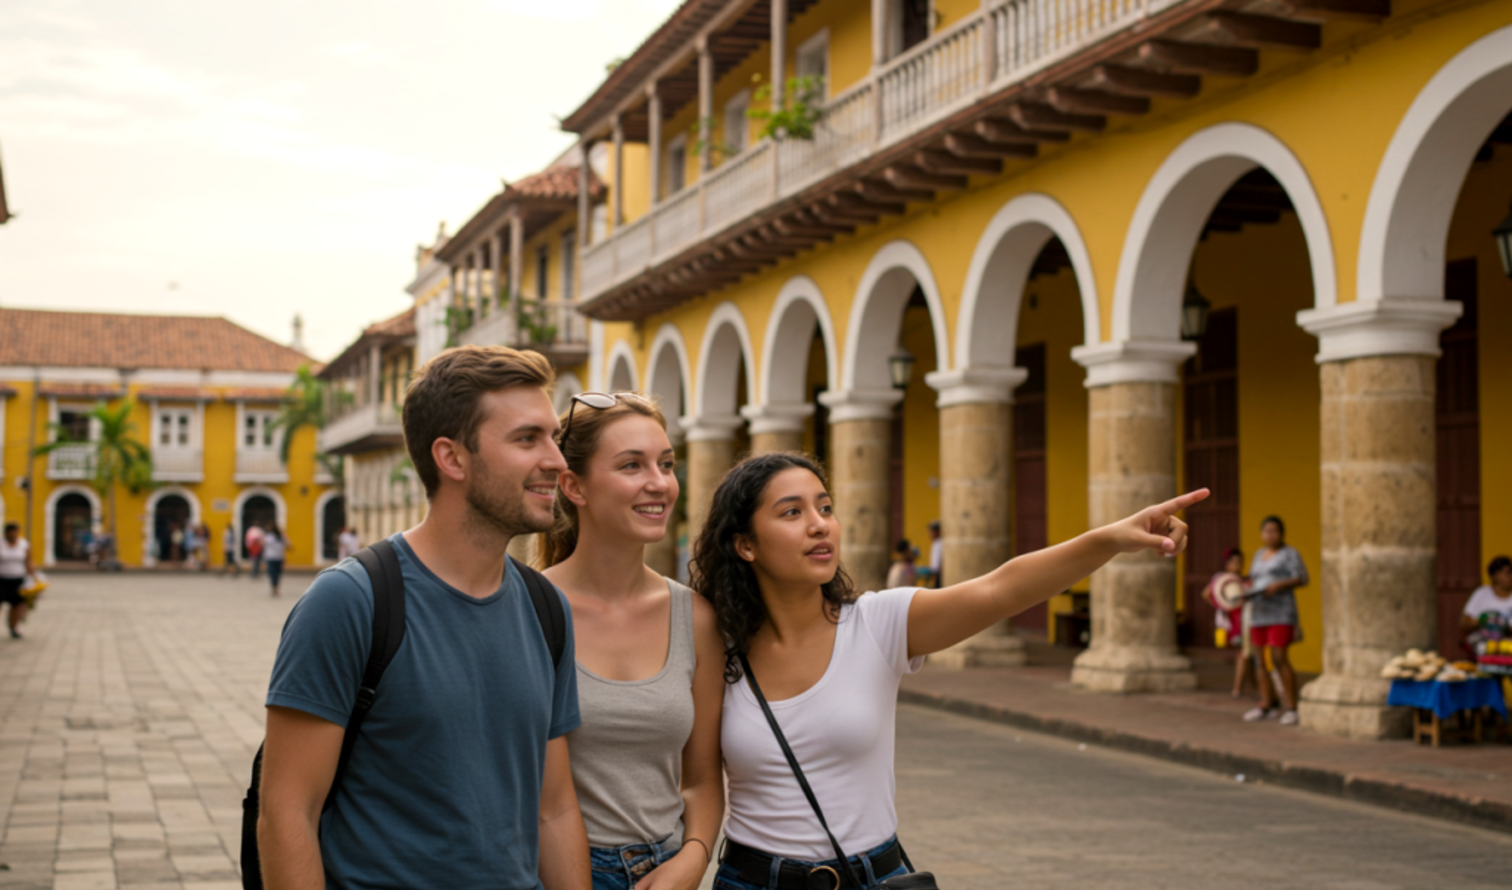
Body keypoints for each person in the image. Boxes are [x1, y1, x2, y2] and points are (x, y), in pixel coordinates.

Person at [692, 452, 1203, 889]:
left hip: (872, 876)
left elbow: (1002, 588)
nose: (819, 523)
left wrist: (1110, 539)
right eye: (791, 512)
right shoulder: (716, 647)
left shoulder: (877, 623)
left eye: (825, 507)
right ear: (745, 544)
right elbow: (695, 781)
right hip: (751, 879)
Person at [259, 345, 589, 890]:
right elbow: (288, 812)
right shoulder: (350, 602)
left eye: (553, 437)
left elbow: (553, 808)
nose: (556, 459)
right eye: (528, 439)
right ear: (452, 458)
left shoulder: (545, 607)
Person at [537, 392, 724, 890]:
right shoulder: (527, 608)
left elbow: (703, 777)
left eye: (666, 464)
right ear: (573, 485)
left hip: (665, 871)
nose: (660, 483)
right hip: (552, 871)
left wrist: (692, 858)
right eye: (631, 465)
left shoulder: (696, 617)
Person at [1243, 516, 1309, 726]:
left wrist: (1278, 586)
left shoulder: (1290, 554)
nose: (1271, 535)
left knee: (1279, 656)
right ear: (1262, 534)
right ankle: (1267, 703)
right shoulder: (1259, 554)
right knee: (1259, 659)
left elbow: (1302, 577)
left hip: (1281, 612)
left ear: (1281, 533)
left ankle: (1292, 706)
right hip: (1259, 613)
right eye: (1267, 531)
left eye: (1275, 531)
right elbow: (1253, 578)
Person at [1205, 548, 1257, 699]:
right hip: (1233, 620)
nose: (1237, 565)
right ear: (1226, 564)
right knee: (1244, 652)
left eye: (1239, 562)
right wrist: (1222, 606)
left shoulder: (1245, 580)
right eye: (1233, 562)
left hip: (1246, 618)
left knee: (1249, 653)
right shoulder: (1222, 580)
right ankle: (1237, 688)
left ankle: (1252, 685)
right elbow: (1207, 594)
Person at [0, 523, 36, 639]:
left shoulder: (23, 544)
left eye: (15, 532)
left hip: (18, 579)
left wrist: (31, 577)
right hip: (2, 579)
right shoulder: (1, 544)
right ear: (6, 533)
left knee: (17, 605)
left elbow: (29, 560)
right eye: (11, 532)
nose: (14, 534)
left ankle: (13, 627)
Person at [1461, 555, 1512, 630]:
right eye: (1508, 573)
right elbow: (1464, 622)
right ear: (1496, 575)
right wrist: (1483, 621)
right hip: (1483, 640)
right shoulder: (1482, 593)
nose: (1511, 576)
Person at [262, 526, 290, 597]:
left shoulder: (269, 537)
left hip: (271, 558)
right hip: (279, 558)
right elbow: (288, 545)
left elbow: (263, 544)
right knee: (277, 574)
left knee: (272, 574)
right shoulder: (281, 537)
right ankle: (276, 588)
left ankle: (274, 588)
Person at [925, 521, 943, 588]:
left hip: (939, 577)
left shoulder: (939, 543)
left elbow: (937, 566)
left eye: (932, 531)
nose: (930, 534)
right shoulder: (936, 543)